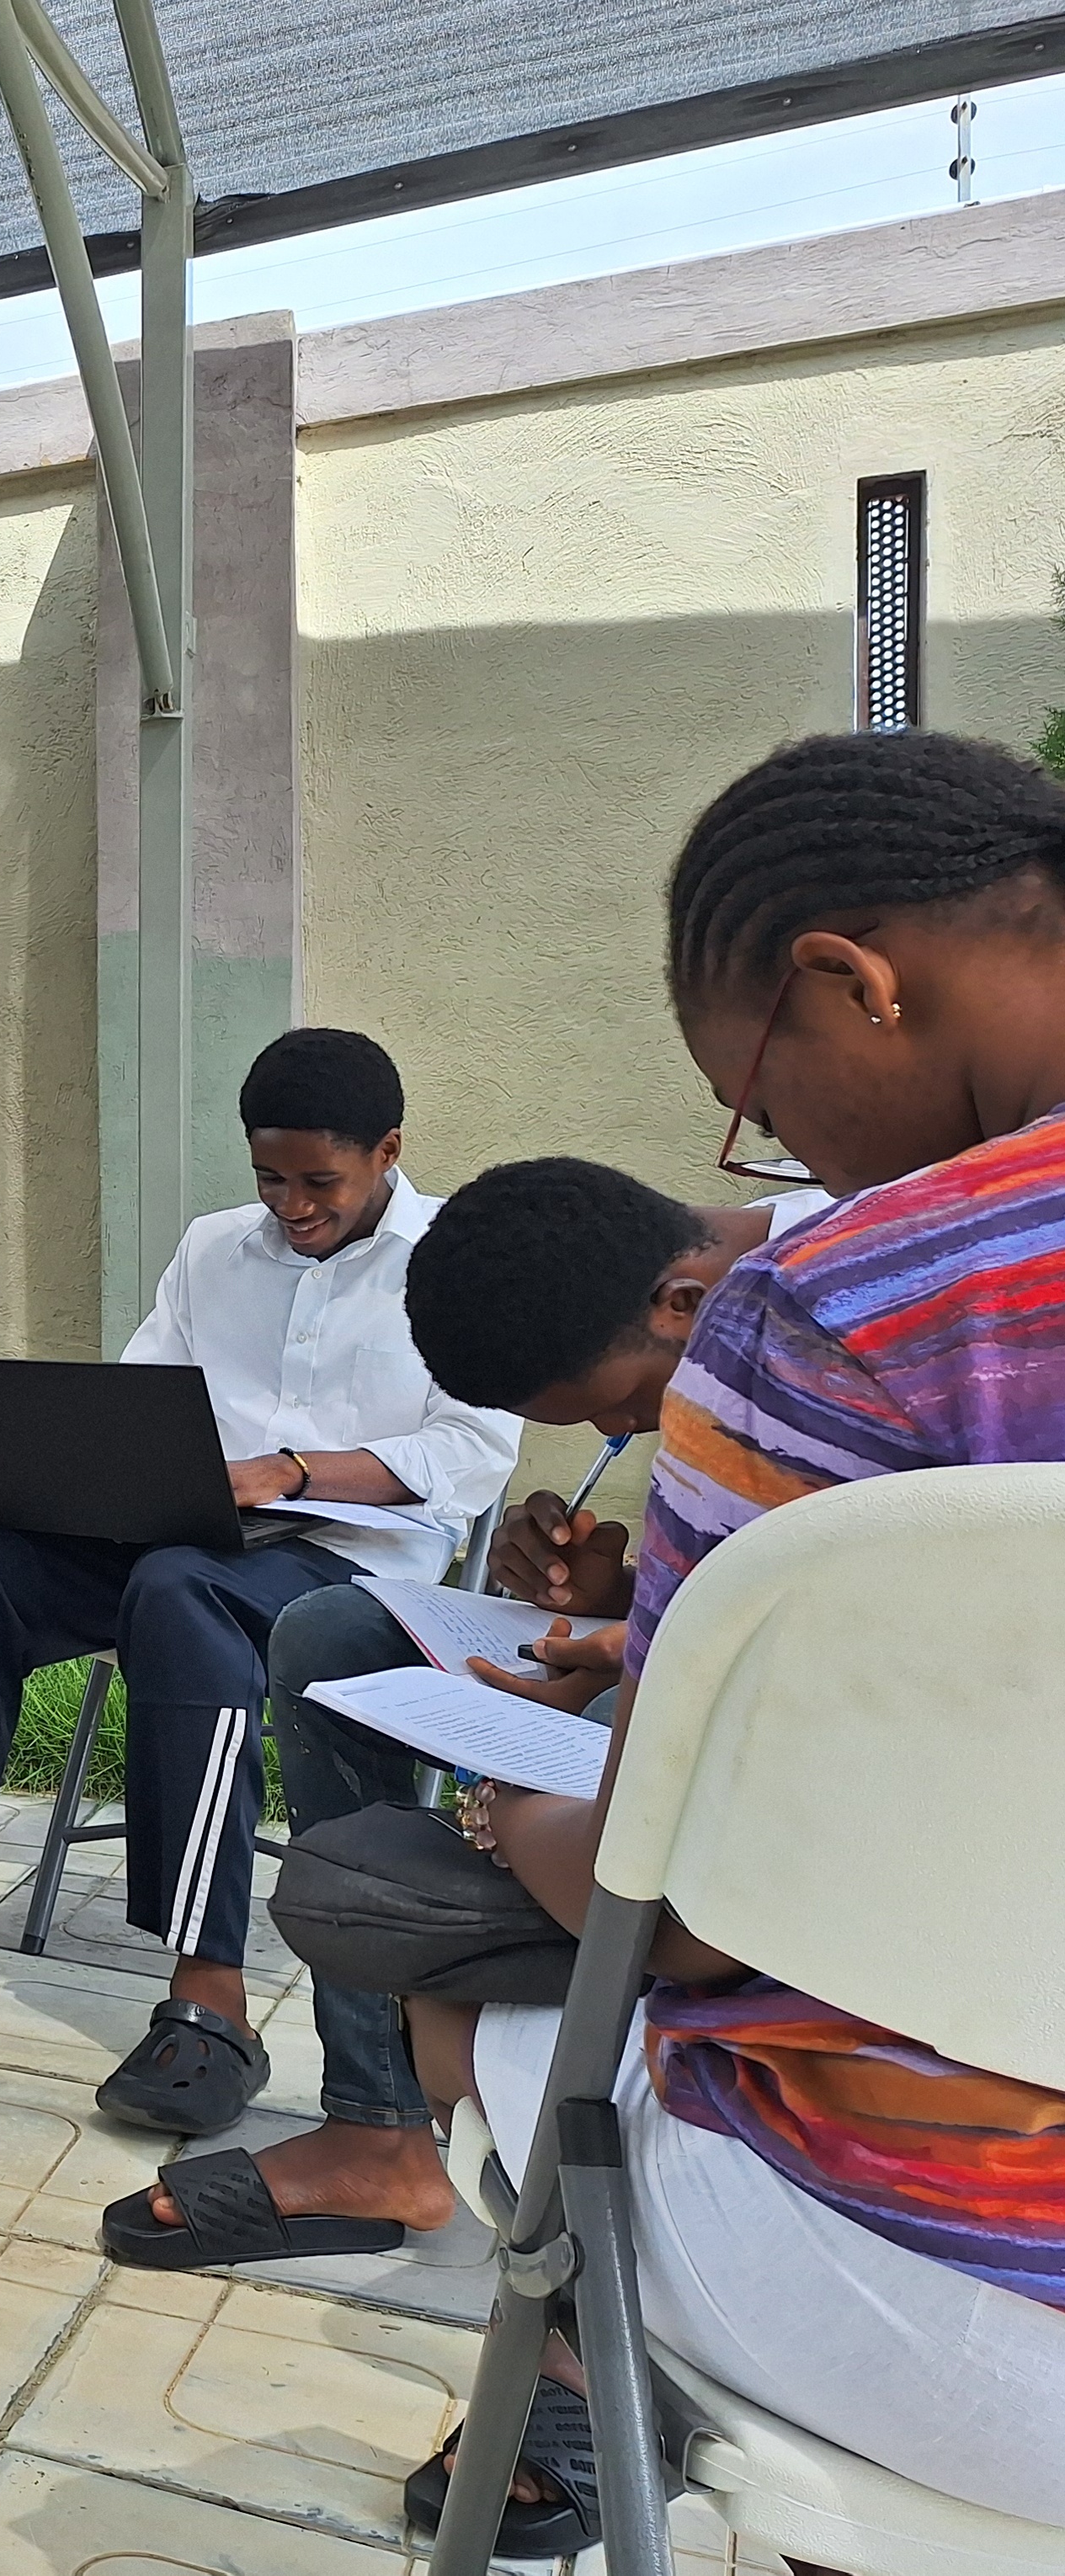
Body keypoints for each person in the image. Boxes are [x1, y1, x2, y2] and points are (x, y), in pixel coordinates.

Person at [410, 729, 1065, 2542]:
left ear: (848, 983)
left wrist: (527, 1825)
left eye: (759, 1111)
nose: (778, 1159)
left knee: (473, 2005)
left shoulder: (849, 1302)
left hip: (972, 2286)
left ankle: (536, 2405)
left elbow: (687, 1911)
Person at [0, 1029, 522, 2147]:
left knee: (178, 1596)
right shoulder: (213, 1250)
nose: (292, 1206)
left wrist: (291, 1474)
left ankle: (210, 2002)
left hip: (348, 1570)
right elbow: (139, 1400)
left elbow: (471, 1457)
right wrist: (92, 1474)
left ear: (388, 1152)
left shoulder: (454, 1263)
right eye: (270, 1179)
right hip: (180, 1533)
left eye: (320, 1181)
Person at [104, 1157, 828, 2269]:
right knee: (333, 1635)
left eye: (626, 1409)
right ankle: (378, 2135)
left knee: (361, 1894)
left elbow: (844, 1639)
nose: (632, 1438)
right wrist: (618, 1606)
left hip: (791, 1805)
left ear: (680, 1306)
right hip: (703, 1695)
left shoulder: (847, 1312)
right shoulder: (722, 1304)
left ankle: (533, 2113)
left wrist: (520, 1796)